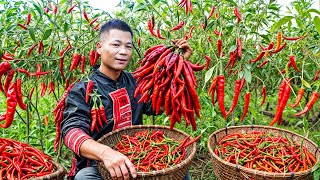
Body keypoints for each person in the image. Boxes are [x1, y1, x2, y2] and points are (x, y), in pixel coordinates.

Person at [61, 19, 193, 180]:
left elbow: (161, 106)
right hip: (102, 165)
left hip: (141, 154)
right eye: (116, 45)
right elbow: (71, 131)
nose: (123, 51)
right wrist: (106, 153)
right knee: (84, 177)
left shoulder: (136, 81)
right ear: (99, 48)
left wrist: (178, 63)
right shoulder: (82, 89)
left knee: (179, 168)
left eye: (128, 46)